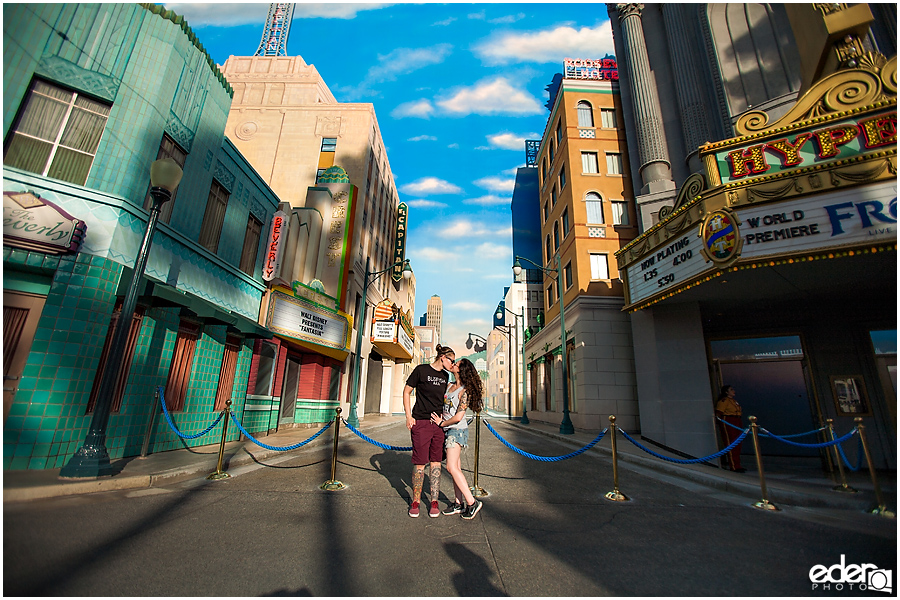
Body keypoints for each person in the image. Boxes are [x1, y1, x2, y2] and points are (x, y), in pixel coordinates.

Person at [403, 344, 456, 518]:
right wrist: (409, 416)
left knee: (435, 462)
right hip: (421, 421)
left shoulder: (446, 376)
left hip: (438, 425)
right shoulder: (421, 370)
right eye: (451, 360)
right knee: (420, 463)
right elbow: (407, 390)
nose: (452, 364)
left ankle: (434, 501)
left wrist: (445, 422)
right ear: (442, 357)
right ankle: (416, 501)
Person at [430, 357, 484, 520]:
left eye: (457, 364)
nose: (454, 365)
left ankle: (472, 502)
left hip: (456, 431)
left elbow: (459, 416)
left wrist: (442, 422)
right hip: (447, 430)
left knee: (451, 468)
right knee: (456, 469)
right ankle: (458, 503)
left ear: (462, 370)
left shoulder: (464, 391)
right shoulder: (450, 385)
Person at [715, 385, 746, 472]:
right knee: (731, 442)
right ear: (726, 392)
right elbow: (719, 413)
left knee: (738, 443)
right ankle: (733, 466)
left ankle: (737, 464)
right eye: (731, 390)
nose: (733, 391)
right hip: (728, 420)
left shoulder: (734, 401)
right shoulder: (724, 401)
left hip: (737, 420)